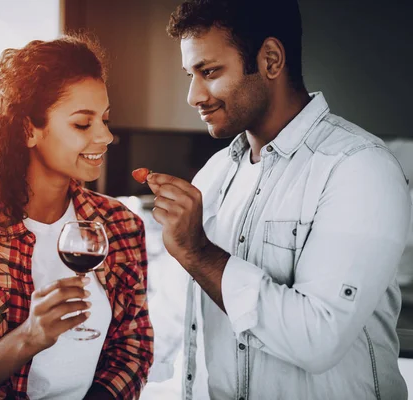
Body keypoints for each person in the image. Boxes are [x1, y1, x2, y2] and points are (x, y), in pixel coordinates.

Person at [145, 0, 412, 398]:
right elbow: (195, 331)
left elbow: (317, 339)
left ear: (270, 60)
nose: (193, 95)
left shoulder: (359, 167)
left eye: (210, 71)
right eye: (190, 74)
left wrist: (198, 251)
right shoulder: (214, 176)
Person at [0, 35, 153, 400]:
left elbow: (134, 350)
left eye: (104, 119)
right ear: (27, 130)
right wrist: (28, 337)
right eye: (83, 124)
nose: (105, 136)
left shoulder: (120, 225)